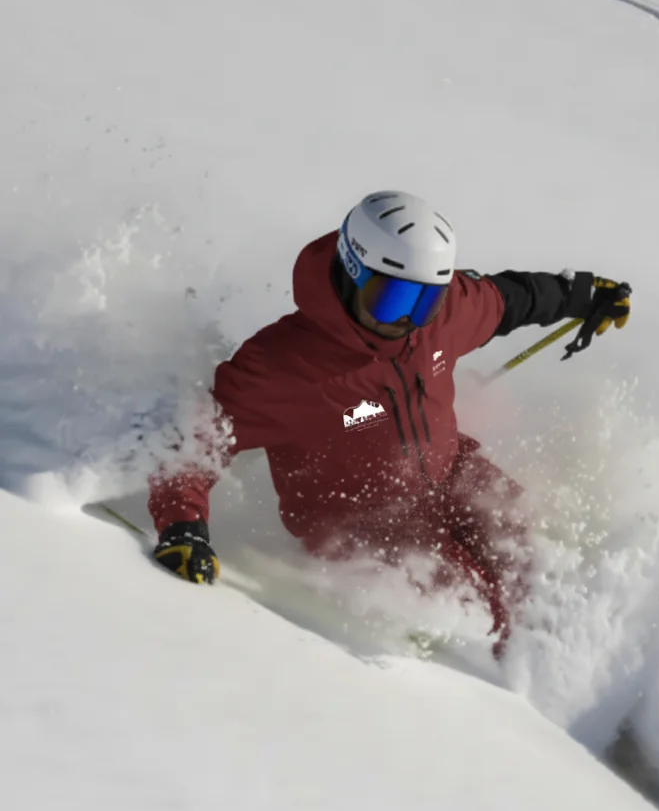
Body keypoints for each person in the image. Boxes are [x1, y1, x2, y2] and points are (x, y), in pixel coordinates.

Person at [149, 190, 631, 651]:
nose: (409, 321)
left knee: (533, 553)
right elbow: (198, 437)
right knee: (477, 604)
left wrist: (581, 295)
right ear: (352, 270)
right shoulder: (284, 365)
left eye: (426, 302)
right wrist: (182, 526)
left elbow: (509, 299)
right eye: (394, 300)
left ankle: (596, 666)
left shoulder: (441, 317)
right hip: (364, 527)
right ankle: (516, 692)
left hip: (452, 472)